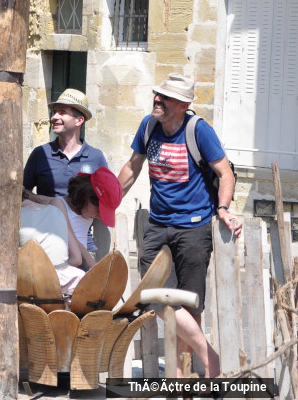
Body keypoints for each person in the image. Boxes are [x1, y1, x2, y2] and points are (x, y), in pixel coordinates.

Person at [117, 72, 242, 378]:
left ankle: (178, 376)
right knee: (152, 295)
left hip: (194, 228)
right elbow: (133, 167)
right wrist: (108, 200)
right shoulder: (148, 126)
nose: (157, 100)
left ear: (184, 104)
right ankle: (210, 358)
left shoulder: (198, 130)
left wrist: (223, 208)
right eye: (157, 94)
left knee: (190, 304)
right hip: (158, 225)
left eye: (165, 97)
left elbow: (225, 173)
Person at [24, 88, 108, 254]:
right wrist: (45, 201)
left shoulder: (96, 157)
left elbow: (106, 199)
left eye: (62, 112)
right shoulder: (40, 154)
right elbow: (21, 192)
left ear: (79, 120)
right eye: (54, 112)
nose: (54, 117)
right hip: (46, 244)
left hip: (83, 244)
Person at [22, 167, 122, 291]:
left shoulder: (86, 214)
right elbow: (77, 255)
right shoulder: (59, 206)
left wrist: (99, 275)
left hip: (78, 270)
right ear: (87, 196)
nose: (100, 216)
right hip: (60, 273)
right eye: (99, 210)